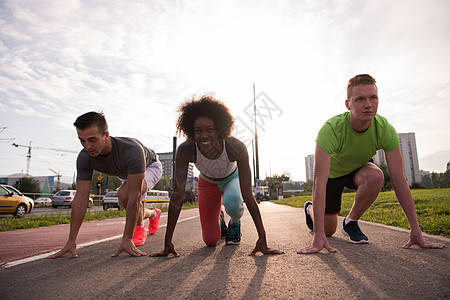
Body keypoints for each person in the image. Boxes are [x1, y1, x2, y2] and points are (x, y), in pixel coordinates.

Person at [298, 74, 446, 254]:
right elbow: (318, 183)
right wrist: (318, 235)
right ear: (348, 105)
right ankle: (310, 209)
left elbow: (399, 181)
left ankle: (351, 222)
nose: (368, 105)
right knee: (328, 231)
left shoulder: (385, 130)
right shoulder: (331, 130)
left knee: (376, 175)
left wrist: (416, 230)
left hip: (358, 169)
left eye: (373, 98)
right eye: (360, 99)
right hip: (332, 175)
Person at [151, 95, 284, 256]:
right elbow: (178, 195)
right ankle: (219, 218)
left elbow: (248, 195)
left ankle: (234, 223)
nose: (204, 135)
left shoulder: (236, 147)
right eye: (198, 131)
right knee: (210, 240)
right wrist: (167, 242)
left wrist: (262, 238)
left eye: (210, 129)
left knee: (233, 204)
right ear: (191, 133)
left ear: (220, 129)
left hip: (231, 178)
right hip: (207, 183)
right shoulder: (186, 150)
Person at [49, 112, 163, 258]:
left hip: (150, 166)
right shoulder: (85, 157)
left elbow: (134, 195)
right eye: (82, 141)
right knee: (131, 203)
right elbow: (81, 197)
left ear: (106, 135)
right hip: (125, 174)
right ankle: (154, 214)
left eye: (92, 140)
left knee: (125, 194)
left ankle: (139, 228)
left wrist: (126, 238)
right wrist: (71, 241)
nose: (87, 146)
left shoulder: (132, 150)